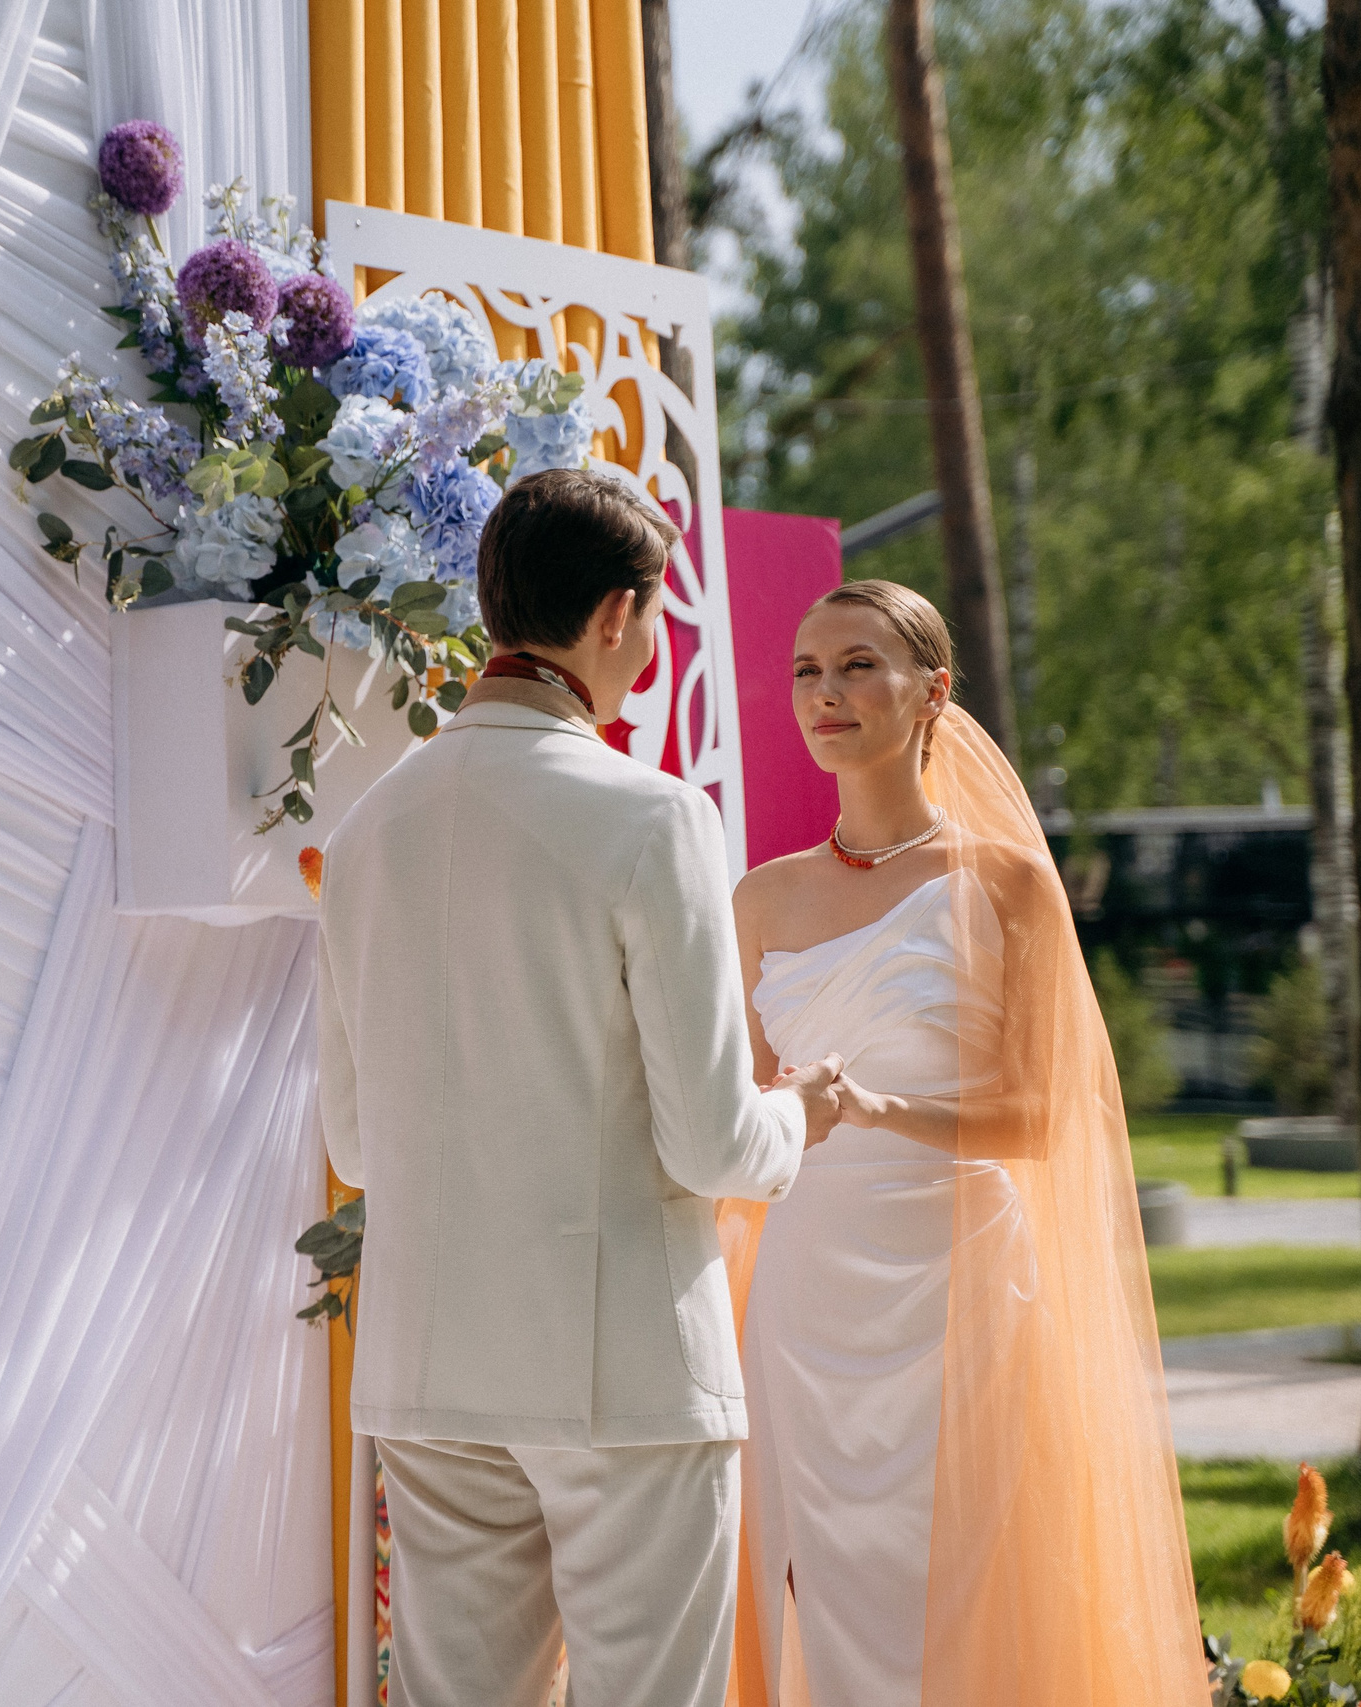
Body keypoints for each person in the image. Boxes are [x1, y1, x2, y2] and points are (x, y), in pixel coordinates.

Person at [316, 469, 847, 1707]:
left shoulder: (363, 834)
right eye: (654, 619)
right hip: (624, 1380)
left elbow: (351, 1140)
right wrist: (804, 1113)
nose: (652, 650)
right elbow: (718, 1143)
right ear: (615, 616)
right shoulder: (651, 817)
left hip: (432, 1368)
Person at [722, 580, 1208, 1707]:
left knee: (978, 1566)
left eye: (856, 665)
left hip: (961, 1273)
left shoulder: (1008, 886)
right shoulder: (757, 899)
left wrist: (883, 1110)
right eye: (806, 669)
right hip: (802, 1285)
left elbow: (1044, 1117)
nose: (824, 692)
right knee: (810, 1567)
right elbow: (743, 1112)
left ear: (931, 690)